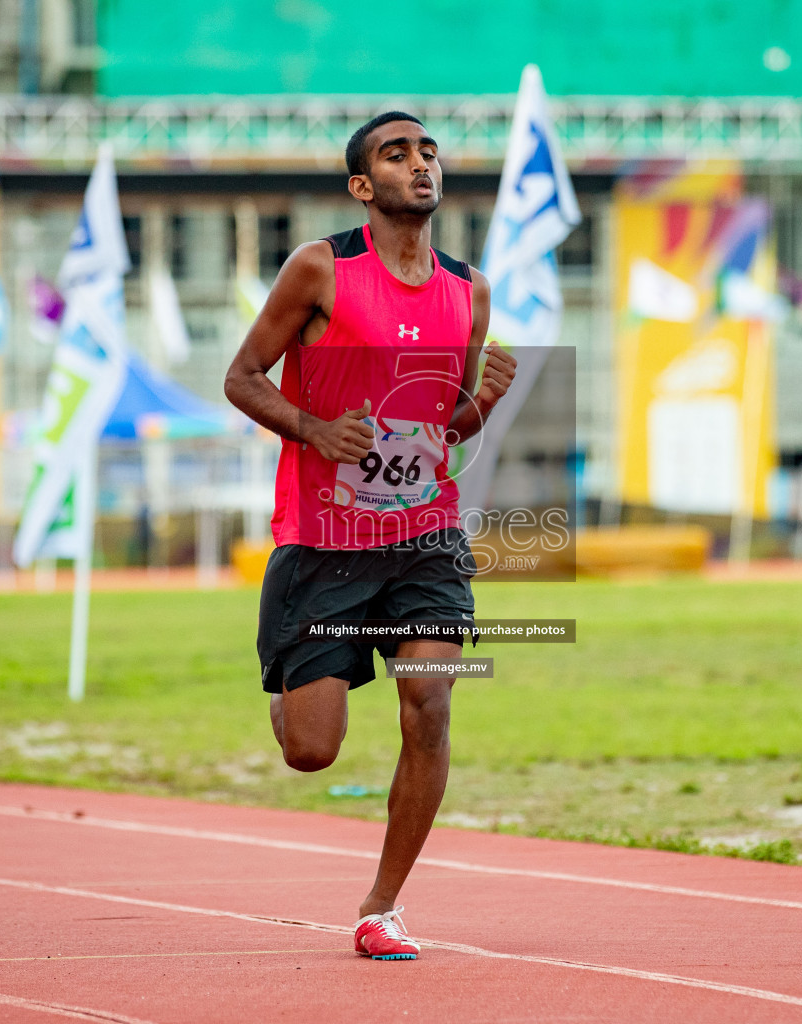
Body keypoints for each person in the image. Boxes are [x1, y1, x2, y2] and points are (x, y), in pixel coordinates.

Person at [224, 111, 517, 961]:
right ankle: (293, 685)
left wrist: (485, 403)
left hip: (425, 536)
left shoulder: (472, 289)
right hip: (323, 539)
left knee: (429, 702)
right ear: (363, 185)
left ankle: (381, 907)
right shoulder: (318, 269)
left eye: (428, 152)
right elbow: (242, 379)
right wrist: (316, 429)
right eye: (397, 154)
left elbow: (443, 429)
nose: (420, 164)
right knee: (312, 751)